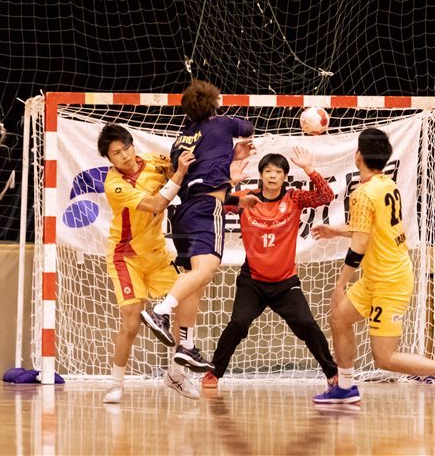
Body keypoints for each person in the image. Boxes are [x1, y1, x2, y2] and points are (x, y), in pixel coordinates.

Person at [311, 128, 435, 406]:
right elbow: (370, 229)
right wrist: (335, 231)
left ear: (358, 156)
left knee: (384, 357)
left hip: (390, 281)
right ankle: (345, 387)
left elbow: (359, 245)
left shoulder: (363, 194)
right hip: (375, 278)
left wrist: (340, 284)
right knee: (339, 319)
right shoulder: (386, 184)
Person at [140, 80, 258, 374]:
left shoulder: (179, 141)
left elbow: (201, 174)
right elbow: (248, 127)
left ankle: (186, 344)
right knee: (205, 271)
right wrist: (234, 141)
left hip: (184, 211)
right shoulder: (222, 124)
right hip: (206, 209)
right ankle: (160, 311)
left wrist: (231, 158)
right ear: (214, 103)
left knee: (194, 279)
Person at [200, 147, 338, 389]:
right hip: (252, 281)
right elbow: (210, 201)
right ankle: (214, 373)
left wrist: (309, 169)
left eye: (278, 172)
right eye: (268, 171)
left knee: (307, 325)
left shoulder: (294, 198)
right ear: (261, 175)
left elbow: (326, 196)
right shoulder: (246, 198)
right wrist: (230, 182)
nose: (273, 176)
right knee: (238, 324)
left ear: (285, 176)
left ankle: (333, 374)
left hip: (285, 282)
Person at [97, 123, 200, 402]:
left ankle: (177, 375)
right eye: (116, 153)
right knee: (132, 321)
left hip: (157, 254)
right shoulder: (115, 185)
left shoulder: (156, 162)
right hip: (126, 257)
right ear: (109, 158)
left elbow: (185, 173)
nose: (125, 156)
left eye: (126, 148)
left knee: (188, 297)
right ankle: (116, 384)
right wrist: (178, 174)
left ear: (133, 145)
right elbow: (156, 204)